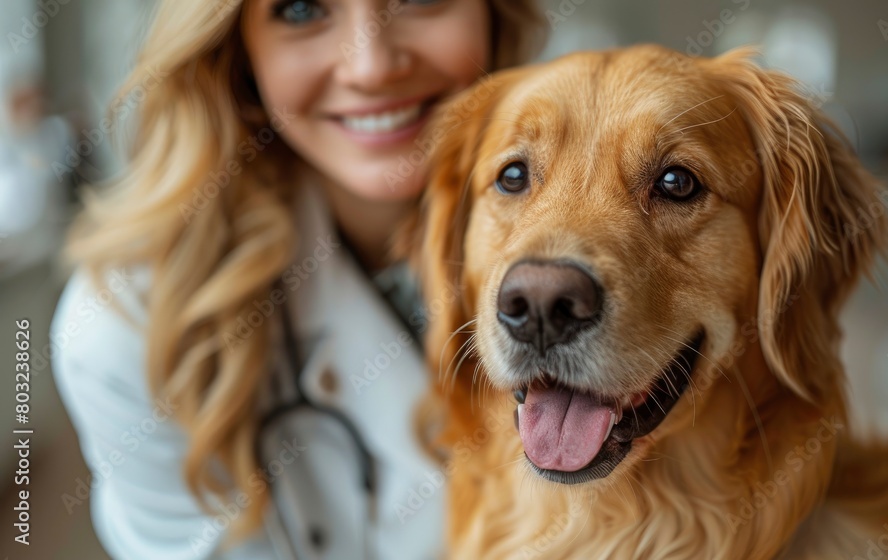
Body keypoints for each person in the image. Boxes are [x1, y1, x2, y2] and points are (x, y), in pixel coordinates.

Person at [50, 1, 546, 558]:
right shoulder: (130, 326)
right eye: (303, 8)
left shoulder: (618, 250)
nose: (372, 67)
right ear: (237, 52)